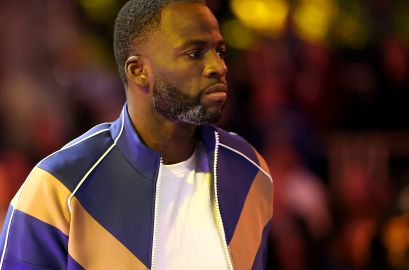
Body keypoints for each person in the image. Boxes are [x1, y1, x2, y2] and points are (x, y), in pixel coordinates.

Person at [0, 0, 273, 269]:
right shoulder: (58, 186)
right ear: (138, 71)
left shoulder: (250, 171)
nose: (219, 67)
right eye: (194, 52)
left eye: (220, 51)